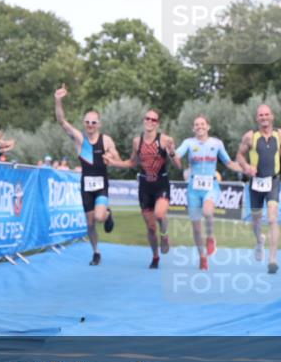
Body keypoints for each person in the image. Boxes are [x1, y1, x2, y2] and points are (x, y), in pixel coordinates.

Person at [54, 84, 120, 266]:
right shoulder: (79, 139)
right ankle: (96, 252)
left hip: (101, 184)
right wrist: (58, 100)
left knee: (99, 217)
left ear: (99, 124)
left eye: (94, 122)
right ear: (84, 123)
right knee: (90, 224)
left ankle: (107, 214)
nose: (90, 125)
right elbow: (62, 121)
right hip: (86, 185)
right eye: (87, 122)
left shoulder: (106, 140)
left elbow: (117, 158)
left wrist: (111, 157)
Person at [174, 115, 246, 270]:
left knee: (207, 212)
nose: (199, 127)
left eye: (202, 124)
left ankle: (211, 238)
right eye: (196, 125)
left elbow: (228, 163)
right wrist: (171, 153)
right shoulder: (188, 143)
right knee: (196, 228)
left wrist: (247, 169)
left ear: (208, 127)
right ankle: (202, 256)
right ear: (193, 128)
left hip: (210, 186)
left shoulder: (217, 143)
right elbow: (177, 155)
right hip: (193, 188)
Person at [110, 109, 177, 268]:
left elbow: (178, 164)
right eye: (148, 118)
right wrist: (113, 162)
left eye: (154, 120)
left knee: (160, 214)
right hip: (145, 187)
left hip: (161, 184)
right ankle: (155, 257)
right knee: (151, 228)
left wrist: (173, 153)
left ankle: (165, 235)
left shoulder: (165, 140)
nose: (150, 121)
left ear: (157, 123)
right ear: (143, 120)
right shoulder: (136, 142)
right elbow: (132, 163)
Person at [236, 104, 281, 274]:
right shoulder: (250, 137)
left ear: (272, 117)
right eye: (260, 115)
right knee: (256, 221)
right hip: (255, 183)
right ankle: (259, 241)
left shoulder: (279, 134)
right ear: (257, 118)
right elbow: (239, 155)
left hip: (273, 181)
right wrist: (247, 167)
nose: (264, 117)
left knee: (272, 218)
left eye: (266, 114)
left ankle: (273, 259)